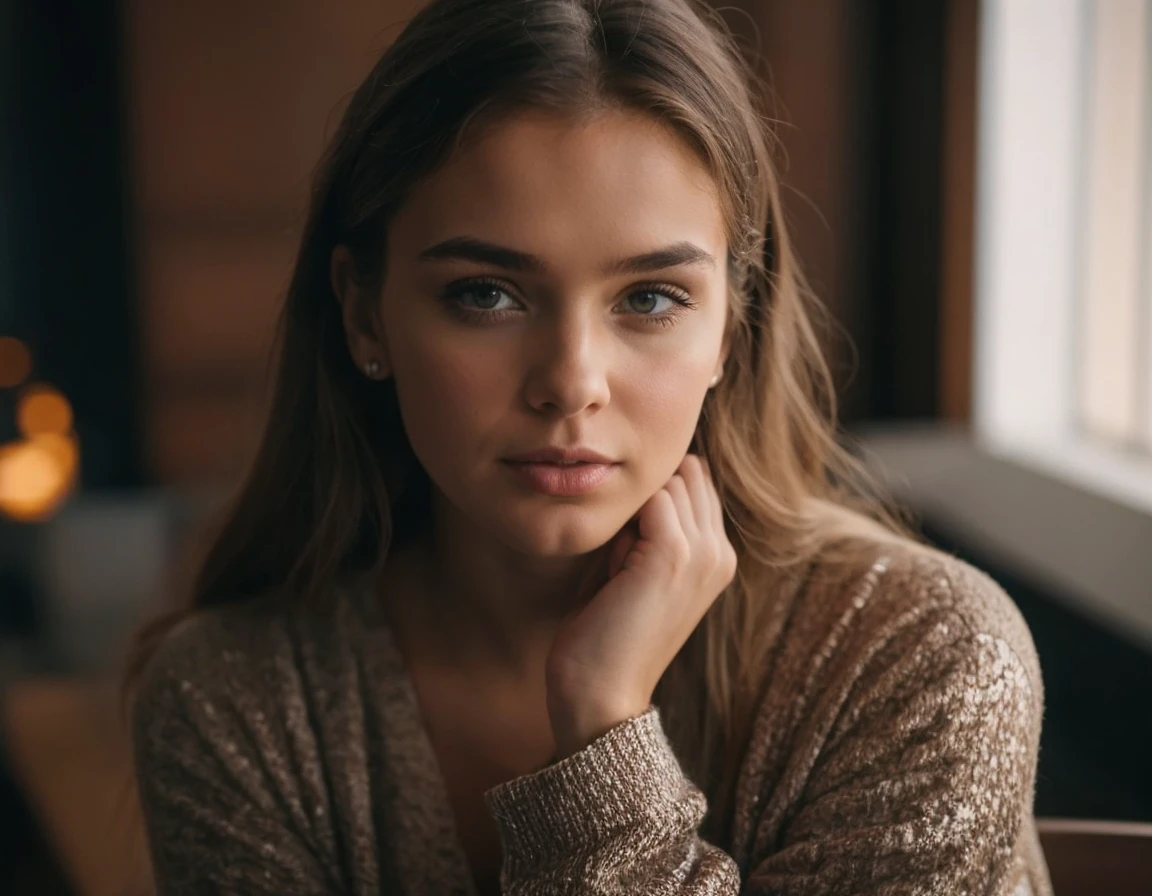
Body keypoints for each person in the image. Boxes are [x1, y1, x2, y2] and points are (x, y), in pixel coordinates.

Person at [124, 0, 1054, 893]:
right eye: (486, 293)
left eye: (649, 298)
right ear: (365, 311)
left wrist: (604, 729)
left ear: (732, 327)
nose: (572, 381)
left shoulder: (920, 659)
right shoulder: (232, 706)